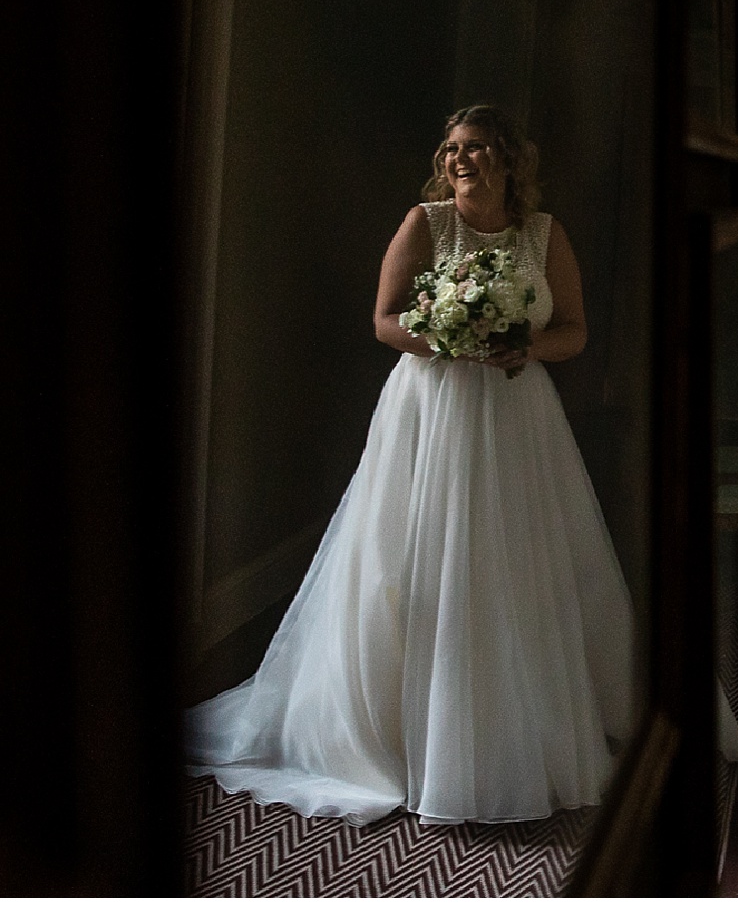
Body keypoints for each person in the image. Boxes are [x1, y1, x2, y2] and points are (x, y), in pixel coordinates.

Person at [186, 104, 633, 825]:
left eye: (478, 148)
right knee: (413, 560)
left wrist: (524, 348)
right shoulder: (425, 224)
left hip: (519, 415)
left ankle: (515, 724)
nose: (461, 160)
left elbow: (574, 332)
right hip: (432, 412)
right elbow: (386, 318)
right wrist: (446, 336)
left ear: (508, 160)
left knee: (514, 562)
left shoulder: (544, 235)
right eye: (453, 148)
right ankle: (403, 733)